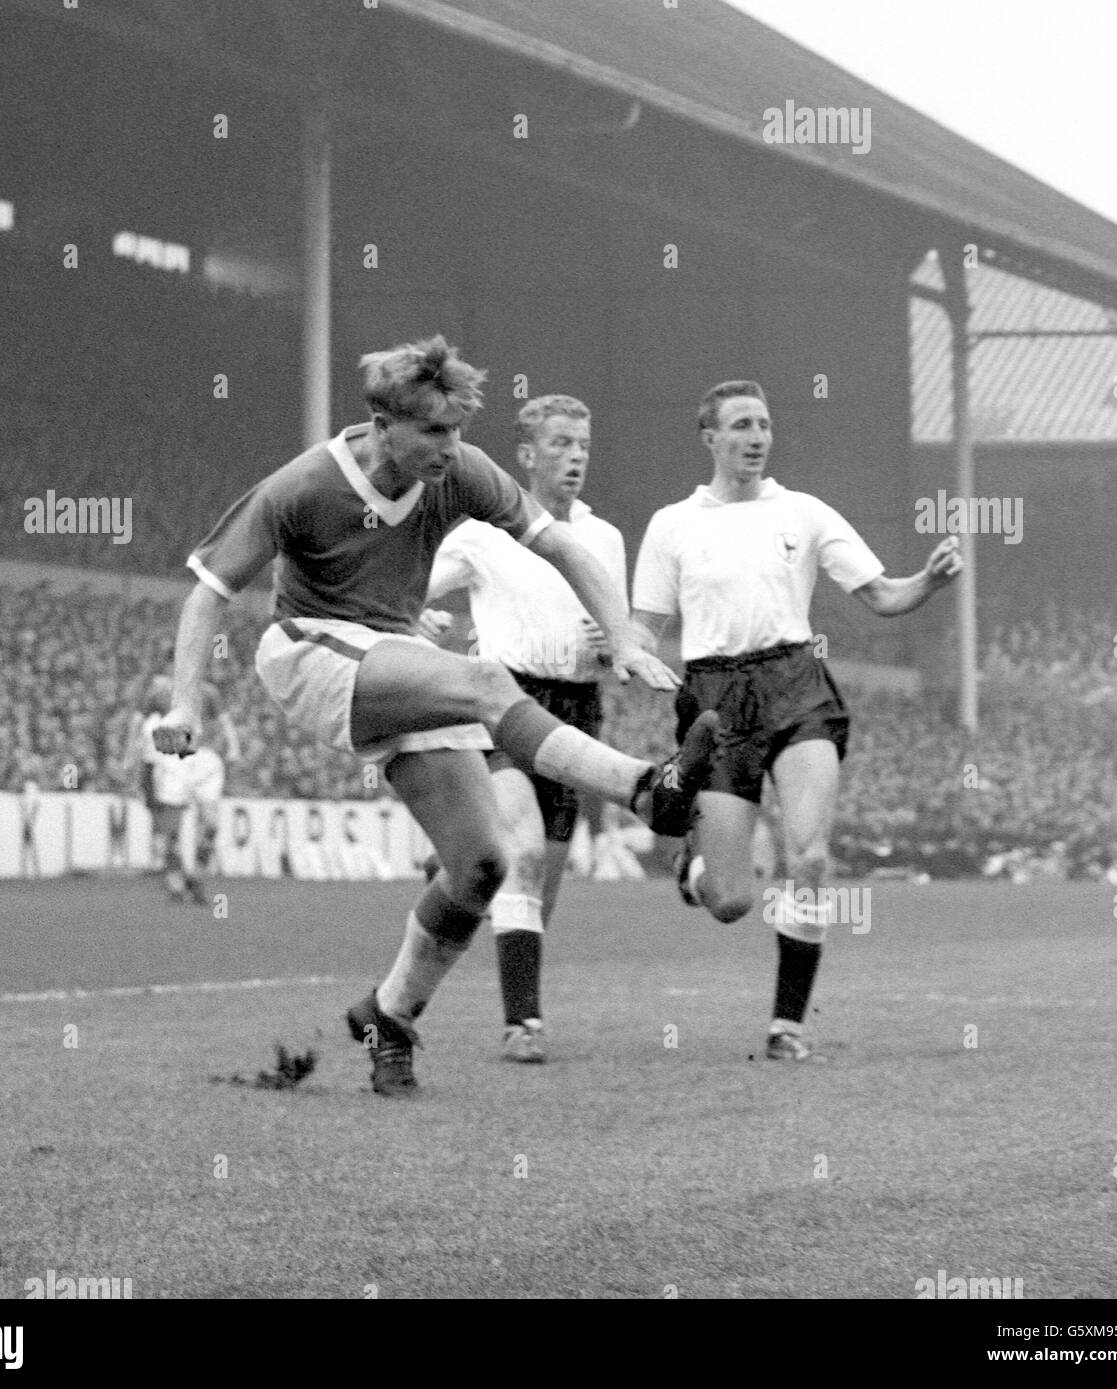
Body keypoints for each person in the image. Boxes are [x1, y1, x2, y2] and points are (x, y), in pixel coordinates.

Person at [153, 335, 717, 1095]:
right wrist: (185, 699)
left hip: (394, 657)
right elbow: (208, 589)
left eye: (457, 429)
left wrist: (619, 634)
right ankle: (647, 789)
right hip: (308, 652)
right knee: (486, 678)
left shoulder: (463, 470)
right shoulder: (307, 483)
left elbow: (563, 546)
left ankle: (391, 1017)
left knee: (482, 866)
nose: (451, 447)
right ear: (384, 425)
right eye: (433, 431)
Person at [631, 379, 962, 1062]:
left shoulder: (805, 512)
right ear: (711, 437)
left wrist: (927, 580)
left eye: (765, 423)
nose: (757, 435)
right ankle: (695, 869)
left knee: (808, 855)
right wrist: (620, 647)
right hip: (716, 696)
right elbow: (642, 626)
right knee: (729, 900)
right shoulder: (673, 525)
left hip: (795, 682)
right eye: (742, 424)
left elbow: (880, 593)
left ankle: (788, 1025)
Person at [419, 393, 626, 1062]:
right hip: (503, 702)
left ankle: (461, 873)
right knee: (528, 852)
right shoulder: (482, 532)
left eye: (584, 446)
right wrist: (412, 621)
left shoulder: (604, 538)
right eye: (562, 444)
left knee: (542, 885)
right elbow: (406, 588)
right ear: (527, 455)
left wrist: (611, 645)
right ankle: (523, 1024)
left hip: (576, 711)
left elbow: (617, 641)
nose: (576, 458)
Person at [139, 675, 238, 904]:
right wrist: (138, 760)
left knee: (211, 824)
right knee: (171, 827)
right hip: (174, 758)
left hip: (205, 757)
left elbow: (224, 722)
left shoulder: (209, 691)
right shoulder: (159, 692)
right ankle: (175, 882)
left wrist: (233, 746)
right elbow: (140, 725)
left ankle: (196, 876)